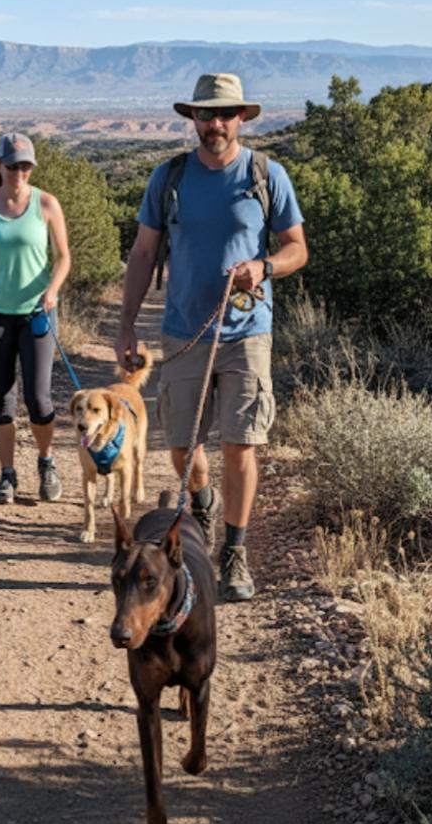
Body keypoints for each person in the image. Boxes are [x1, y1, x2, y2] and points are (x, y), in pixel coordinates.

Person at [114, 73, 308, 602]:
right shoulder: (169, 178)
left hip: (249, 331)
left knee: (240, 444)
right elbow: (144, 254)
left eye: (224, 114)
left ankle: (235, 552)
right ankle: (203, 501)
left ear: (241, 117)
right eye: (205, 114)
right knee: (182, 451)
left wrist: (264, 267)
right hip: (183, 331)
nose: (215, 124)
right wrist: (127, 325)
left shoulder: (268, 175)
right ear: (192, 119)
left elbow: (297, 249)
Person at [0, 132, 71, 504]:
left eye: (26, 166)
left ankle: (46, 461)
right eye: (13, 165)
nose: (20, 172)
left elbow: (64, 257)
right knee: (1, 399)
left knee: (39, 399)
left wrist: (52, 290)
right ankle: (7, 473)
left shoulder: (47, 204)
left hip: (37, 315)